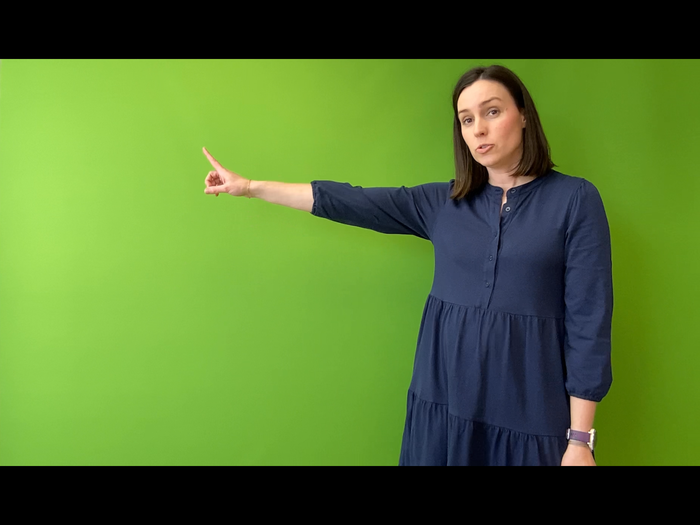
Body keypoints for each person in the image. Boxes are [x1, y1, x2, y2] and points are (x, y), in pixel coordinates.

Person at [202, 64, 613, 466]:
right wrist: (252, 187)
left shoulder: (575, 201)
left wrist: (580, 439)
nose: (479, 130)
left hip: (528, 412)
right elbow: (351, 201)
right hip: (443, 402)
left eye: (492, 111)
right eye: (466, 120)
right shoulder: (443, 203)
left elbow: (588, 323)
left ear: (523, 115)